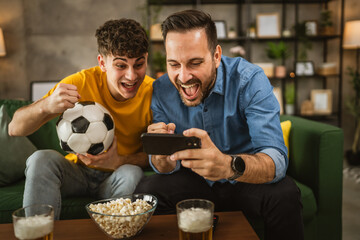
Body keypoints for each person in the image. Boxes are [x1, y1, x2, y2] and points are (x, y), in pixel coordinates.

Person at [134, 10, 304, 240]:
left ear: (216, 56)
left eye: (195, 63)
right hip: (193, 180)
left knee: (285, 194)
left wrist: (227, 165)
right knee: (147, 192)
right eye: (174, 64)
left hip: (243, 177)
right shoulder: (161, 89)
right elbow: (162, 166)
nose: (183, 77)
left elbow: (276, 159)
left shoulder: (250, 80)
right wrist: (161, 158)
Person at [8, 19, 154, 220]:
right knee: (40, 159)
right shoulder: (79, 83)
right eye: (121, 65)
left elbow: (159, 156)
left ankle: (117, 230)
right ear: (102, 63)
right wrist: (45, 105)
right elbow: (15, 128)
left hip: (117, 176)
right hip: (76, 172)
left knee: (131, 173)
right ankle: (38, 233)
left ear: (146, 58)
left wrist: (120, 161)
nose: (131, 76)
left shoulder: (153, 93)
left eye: (139, 64)